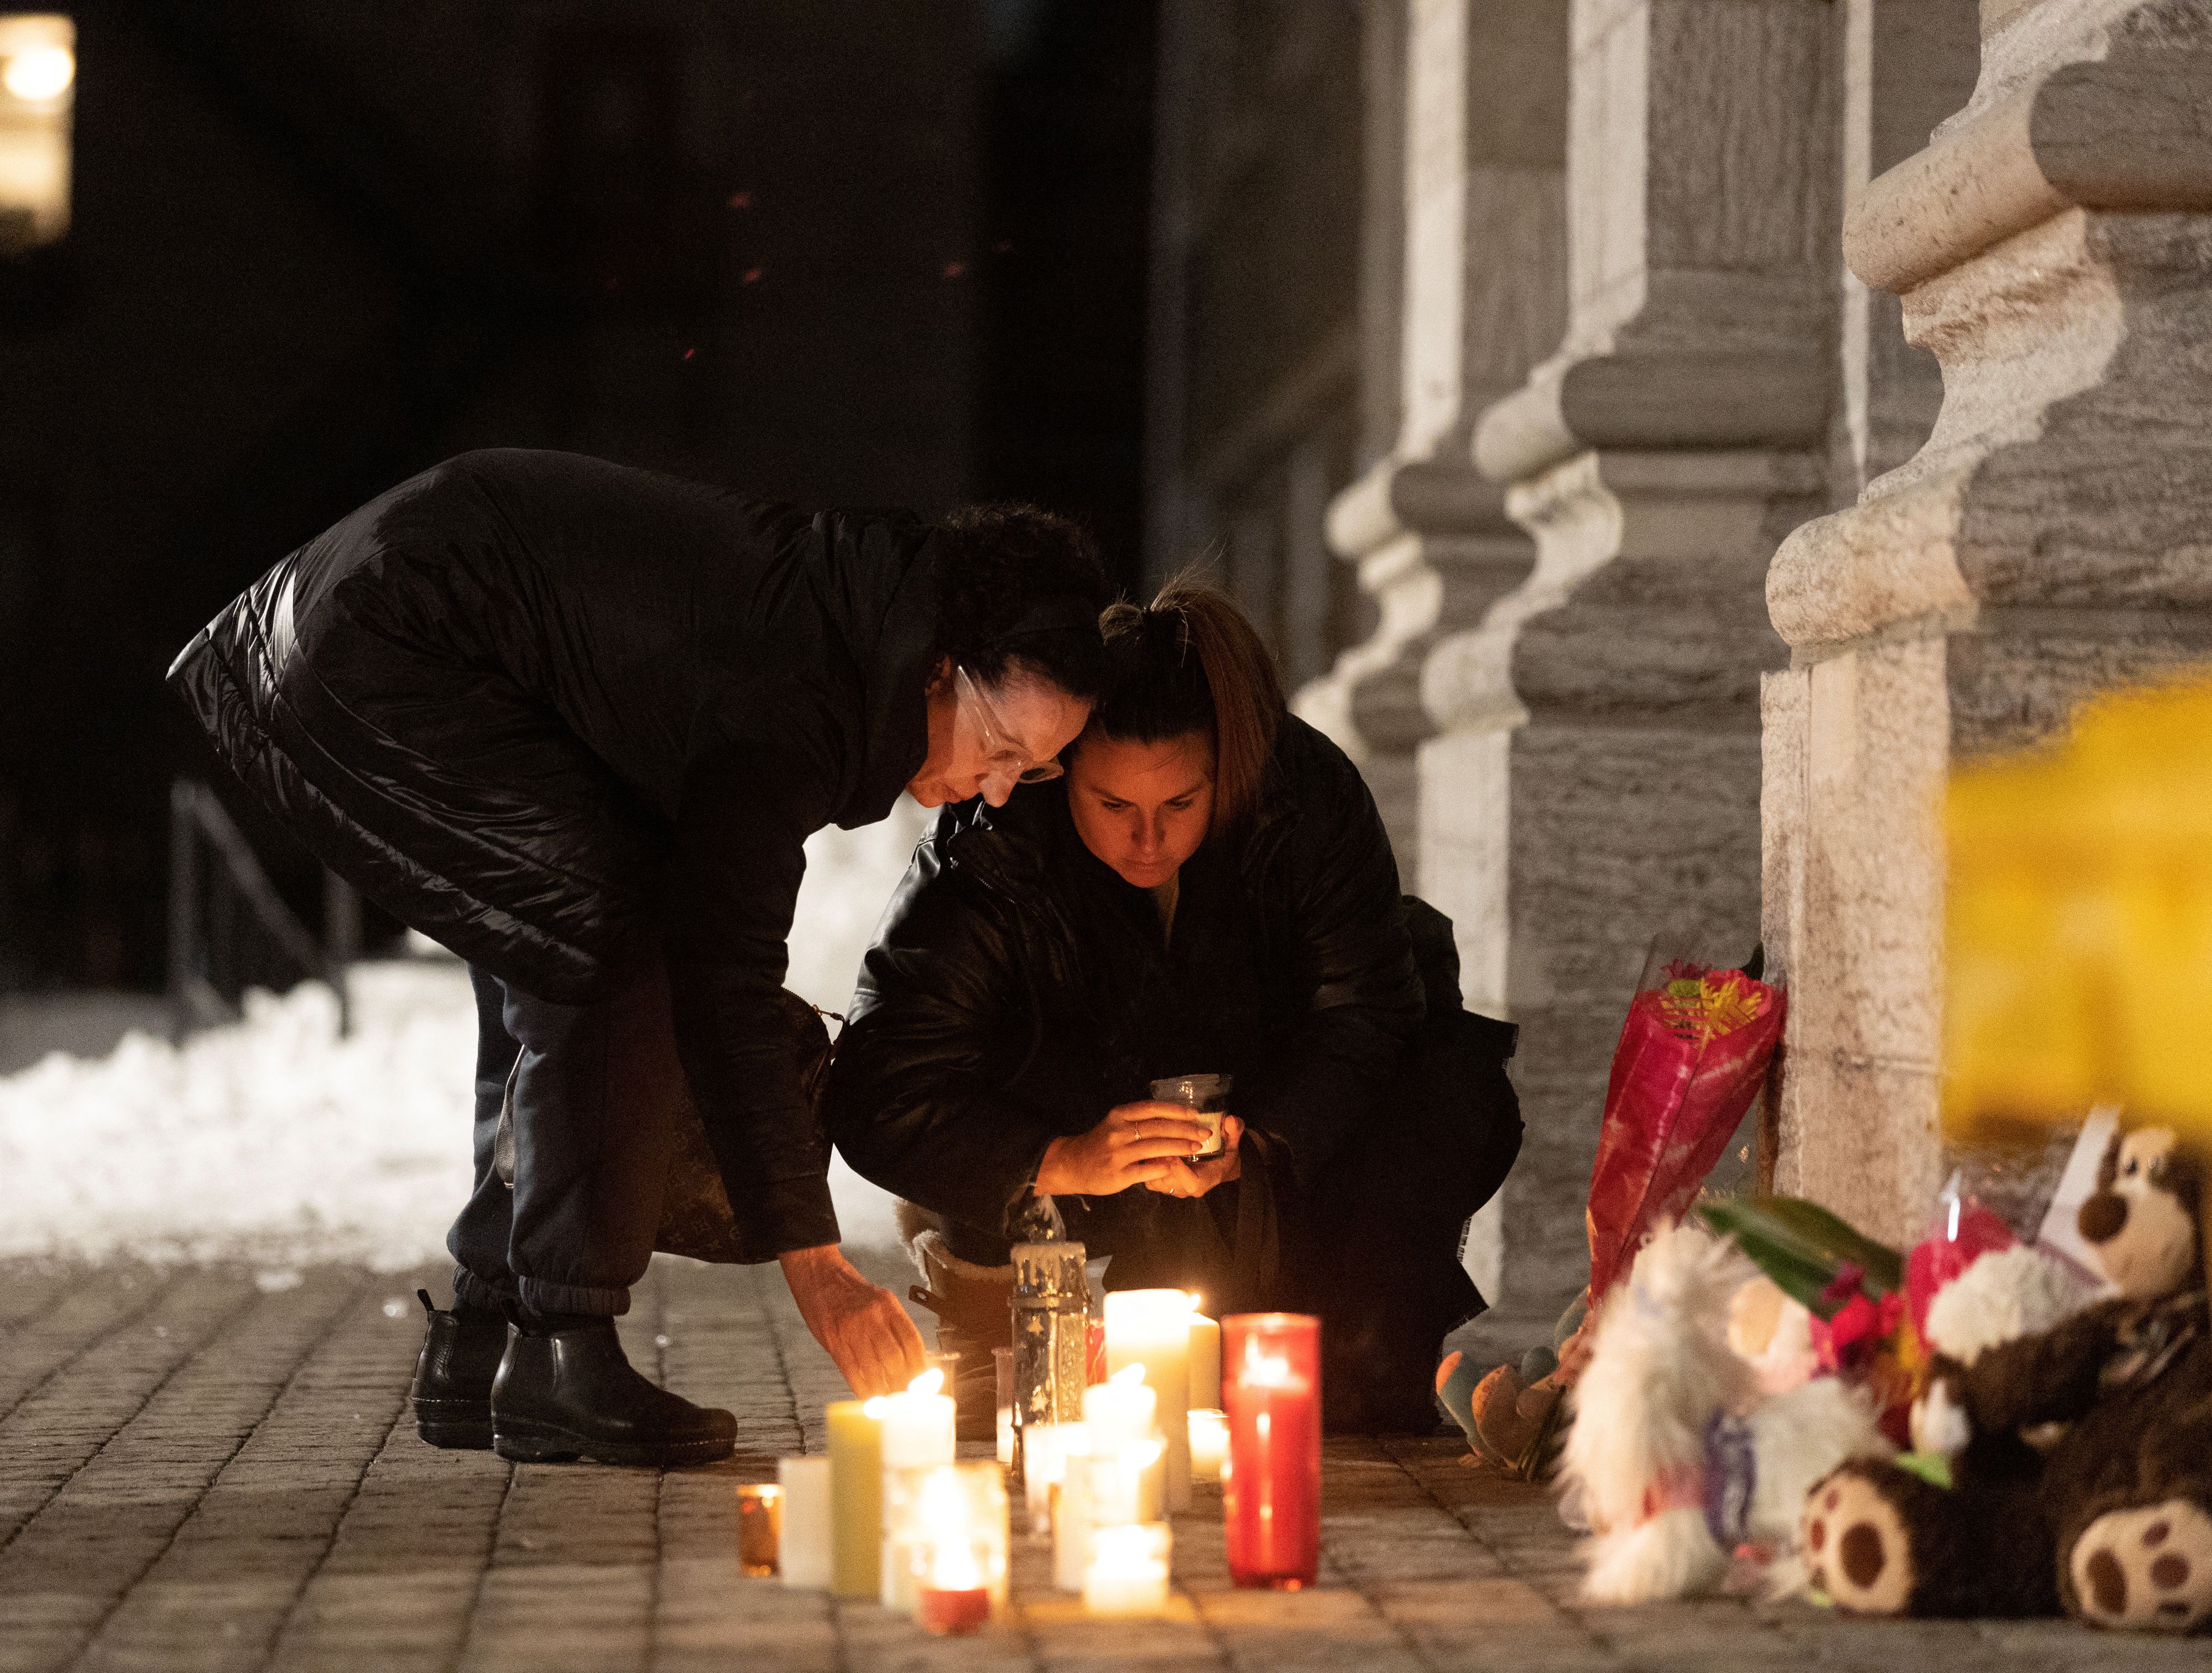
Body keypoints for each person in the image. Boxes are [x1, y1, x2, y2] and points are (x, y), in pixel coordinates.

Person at [169, 448, 1113, 1466]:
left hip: (377, 622)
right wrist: (821, 1273)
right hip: (383, 645)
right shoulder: (806, 691)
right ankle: (558, 1346)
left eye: (1033, 768)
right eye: (1001, 747)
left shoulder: (855, 629)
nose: (999, 787)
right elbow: (721, 981)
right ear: (941, 666)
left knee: (568, 934)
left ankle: (488, 1331)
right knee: (616, 945)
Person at [825, 581, 1522, 1431]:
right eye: (1113, 805)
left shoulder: (1305, 798)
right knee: (1021, 1395)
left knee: (1340, 1385)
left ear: (1225, 770)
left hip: (1255, 1148)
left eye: (1181, 804)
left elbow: (1368, 1011)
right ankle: (987, 1301)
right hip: (1072, 1136)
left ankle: (1340, 1323)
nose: (1147, 840)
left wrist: (1257, 1139)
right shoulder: (994, 843)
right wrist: (1061, 1159)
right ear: (1062, 767)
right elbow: (881, 1083)